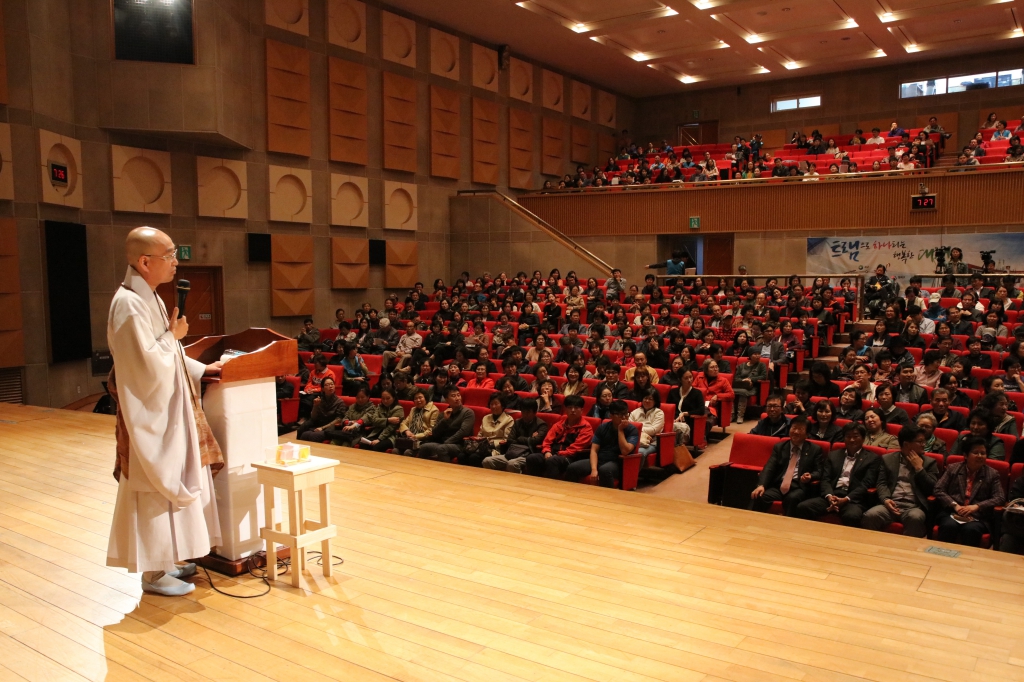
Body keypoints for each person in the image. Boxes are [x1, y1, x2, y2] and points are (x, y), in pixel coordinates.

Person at [105, 226, 226, 596]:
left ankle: (168, 560)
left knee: (169, 488)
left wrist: (201, 368)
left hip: (168, 412)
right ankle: (153, 573)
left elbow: (166, 354)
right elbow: (143, 367)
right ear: (145, 262)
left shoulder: (149, 297)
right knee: (153, 490)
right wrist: (174, 336)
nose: (177, 261)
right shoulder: (127, 305)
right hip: (150, 419)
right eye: (170, 255)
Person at [862, 425, 940, 537]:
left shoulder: (929, 463)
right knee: (871, 515)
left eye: (924, 441)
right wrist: (886, 499)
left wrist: (919, 469)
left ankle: (910, 552)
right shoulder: (888, 459)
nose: (924, 444)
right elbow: (881, 483)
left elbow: (933, 488)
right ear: (906, 444)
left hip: (914, 507)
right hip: (891, 504)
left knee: (915, 517)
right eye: (920, 441)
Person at [795, 423, 880, 527]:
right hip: (832, 495)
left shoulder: (872, 458)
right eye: (848, 436)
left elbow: (866, 484)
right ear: (844, 438)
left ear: (863, 438)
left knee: (852, 516)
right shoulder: (834, 455)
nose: (852, 440)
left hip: (852, 500)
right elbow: (825, 479)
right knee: (803, 507)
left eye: (856, 436)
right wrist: (830, 497)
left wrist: (846, 499)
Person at [933, 437, 1005, 546]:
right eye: (976, 453)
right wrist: (955, 505)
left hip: (977, 517)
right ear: (966, 455)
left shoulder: (992, 474)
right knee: (949, 526)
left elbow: (1000, 497)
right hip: (952, 512)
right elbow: (938, 489)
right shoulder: (953, 468)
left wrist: (977, 506)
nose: (980, 456)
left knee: (971, 530)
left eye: (983, 453)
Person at [750, 417, 823, 516]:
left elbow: (819, 471)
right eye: (794, 428)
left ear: (807, 434)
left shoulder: (815, 450)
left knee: (792, 498)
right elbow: (769, 467)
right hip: (779, 486)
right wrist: (761, 485)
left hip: (798, 487)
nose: (796, 432)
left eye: (800, 429)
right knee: (760, 495)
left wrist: (811, 476)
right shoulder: (779, 447)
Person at [524, 395, 594, 478]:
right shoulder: (559, 424)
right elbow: (547, 441)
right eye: (570, 407)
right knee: (532, 458)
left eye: (576, 408)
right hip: (553, 454)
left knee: (553, 461)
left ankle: (553, 488)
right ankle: (533, 485)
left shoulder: (586, 427)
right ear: (565, 409)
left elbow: (575, 449)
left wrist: (557, 454)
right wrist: (547, 451)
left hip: (571, 457)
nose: (572, 410)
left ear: (582, 410)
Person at [482, 399, 549, 473]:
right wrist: (529, 439)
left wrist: (519, 438)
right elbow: (510, 439)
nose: (525, 414)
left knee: (512, 464)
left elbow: (536, 441)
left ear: (534, 412)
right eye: (523, 412)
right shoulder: (518, 422)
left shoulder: (541, 425)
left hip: (527, 454)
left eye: (528, 412)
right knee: (487, 461)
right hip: (512, 452)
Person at [416, 386, 475, 462]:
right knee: (424, 447)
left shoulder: (468, 412)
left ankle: (445, 472)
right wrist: (444, 420)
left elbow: (464, 432)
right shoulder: (443, 414)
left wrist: (447, 442)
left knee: (442, 448)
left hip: (460, 444)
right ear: (446, 399)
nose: (457, 398)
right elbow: (435, 433)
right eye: (453, 396)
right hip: (443, 444)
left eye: (458, 395)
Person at [462, 393, 514, 467]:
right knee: (462, 455)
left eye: (496, 404)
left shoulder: (508, 420)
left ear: (502, 405)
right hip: (481, 446)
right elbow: (480, 434)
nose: (493, 406)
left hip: (495, 449)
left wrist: (491, 443)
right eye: (491, 404)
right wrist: (478, 440)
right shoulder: (486, 418)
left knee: (474, 457)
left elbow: (506, 440)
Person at [296, 376, 347, 442]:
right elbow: (313, 417)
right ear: (322, 389)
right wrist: (315, 406)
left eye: (332, 384)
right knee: (301, 431)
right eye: (327, 385)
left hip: (330, 427)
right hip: (318, 424)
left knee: (311, 435)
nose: (330, 386)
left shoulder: (340, 402)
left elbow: (338, 420)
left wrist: (322, 428)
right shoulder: (320, 400)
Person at [397, 389, 439, 455]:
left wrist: (415, 436)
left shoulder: (434, 410)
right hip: (410, 439)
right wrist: (407, 431)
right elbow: (404, 423)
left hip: (423, 439)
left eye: (420, 397)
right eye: (416, 398)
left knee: (407, 452)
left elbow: (431, 430)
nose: (418, 400)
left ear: (426, 398)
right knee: (395, 450)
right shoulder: (413, 409)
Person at [629, 389, 665, 465]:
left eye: (650, 399)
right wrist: (638, 430)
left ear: (655, 401)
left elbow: (654, 430)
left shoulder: (659, 413)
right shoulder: (635, 412)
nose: (647, 401)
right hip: (634, 439)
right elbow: (629, 427)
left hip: (651, 442)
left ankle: (634, 475)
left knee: (640, 452)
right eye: (645, 398)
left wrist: (638, 428)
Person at [732, 354, 767, 424]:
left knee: (743, 392)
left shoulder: (761, 365)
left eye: (759, 354)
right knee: (730, 392)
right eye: (755, 354)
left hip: (752, 387)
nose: (758, 356)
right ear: (750, 356)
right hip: (740, 385)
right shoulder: (741, 365)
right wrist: (743, 380)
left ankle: (740, 415)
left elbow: (764, 376)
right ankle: (731, 414)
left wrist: (751, 379)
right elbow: (736, 377)